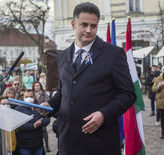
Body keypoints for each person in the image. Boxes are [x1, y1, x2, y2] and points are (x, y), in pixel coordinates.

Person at [39, 2, 136, 154]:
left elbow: (129, 94)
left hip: (100, 143)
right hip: (68, 143)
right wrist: (48, 105)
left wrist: (104, 114)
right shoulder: (62, 56)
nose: (89, 30)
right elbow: (63, 92)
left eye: (93, 26)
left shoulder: (114, 54)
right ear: (73, 24)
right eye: (84, 24)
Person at [15, 89, 50, 155]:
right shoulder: (19, 109)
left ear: (34, 97)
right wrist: (34, 125)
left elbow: (47, 119)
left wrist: (40, 122)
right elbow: (20, 125)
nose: (29, 98)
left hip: (38, 143)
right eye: (27, 97)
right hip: (25, 145)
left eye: (31, 97)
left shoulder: (39, 107)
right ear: (23, 98)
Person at [32, 82, 50, 152]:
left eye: (38, 85)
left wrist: (42, 106)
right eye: (35, 86)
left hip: (42, 113)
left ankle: (47, 146)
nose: (37, 87)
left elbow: (47, 101)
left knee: (44, 130)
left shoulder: (44, 93)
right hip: (34, 113)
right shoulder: (32, 94)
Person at [152, 66, 164, 139]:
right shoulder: (158, 79)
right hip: (161, 102)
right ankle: (163, 133)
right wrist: (159, 86)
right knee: (162, 119)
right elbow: (153, 89)